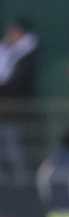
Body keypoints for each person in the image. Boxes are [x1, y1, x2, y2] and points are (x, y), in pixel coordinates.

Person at [0, 17, 39, 184]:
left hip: (16, 109)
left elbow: (18, 81)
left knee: (15, 144)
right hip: (6, 108)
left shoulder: (28, 53)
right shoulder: (6, 51)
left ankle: (23, 181)